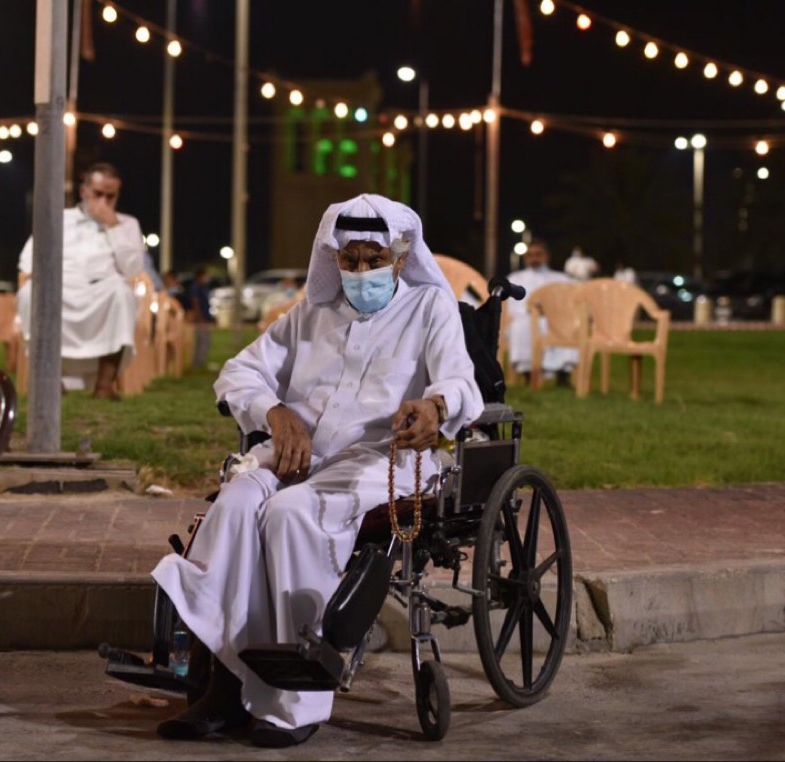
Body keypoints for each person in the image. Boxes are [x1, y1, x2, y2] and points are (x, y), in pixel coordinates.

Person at [150, 193, 484, 748]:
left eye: (373, 259)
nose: (361, 271)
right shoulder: (310, 315)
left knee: (288, 513)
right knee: (235, 504)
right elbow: (239, 373)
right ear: (335, 260)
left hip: (384, 458)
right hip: (302, 453)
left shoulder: (430, 307)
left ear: (401, 258)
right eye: (349, 260)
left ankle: (294, 703)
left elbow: (459, 381)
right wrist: (275, 413)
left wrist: (435, 407)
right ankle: (225, 688)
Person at [16, 161, 146, 399]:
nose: (104, 201)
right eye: (98, 194)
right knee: (29, 293)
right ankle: (51, 381)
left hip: (102, 291)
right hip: (60, 291)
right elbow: (28, 262)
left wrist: (113, 226)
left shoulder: (128, 224)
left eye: (111, 196)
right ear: (84, 190)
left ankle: (104, 385)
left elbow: (132, 269)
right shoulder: (58, 218)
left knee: (122, 293)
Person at [505, 239, 577, 388]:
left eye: (538, 254)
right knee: (520, 326)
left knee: (566, 325)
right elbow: (511, 306)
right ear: (525, 258)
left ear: (546, 256)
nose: (534, 258)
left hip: (555, 319)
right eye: (530, 255)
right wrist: (533, 311)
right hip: (526, 318)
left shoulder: (561, 279)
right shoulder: (515, 279)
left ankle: (563, 374)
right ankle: (527, 372)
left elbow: (571, 304)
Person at [186, 267, 213, 370]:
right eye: (205, 276)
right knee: (202, 340)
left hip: (204, 317)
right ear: (200, 276)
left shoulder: (202, 287)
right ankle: (197, 363)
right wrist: (200, 316)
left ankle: (200, 362)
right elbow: (195, 301)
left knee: (205, 340)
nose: (206, 278)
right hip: (200, 318)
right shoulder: (195, 287)